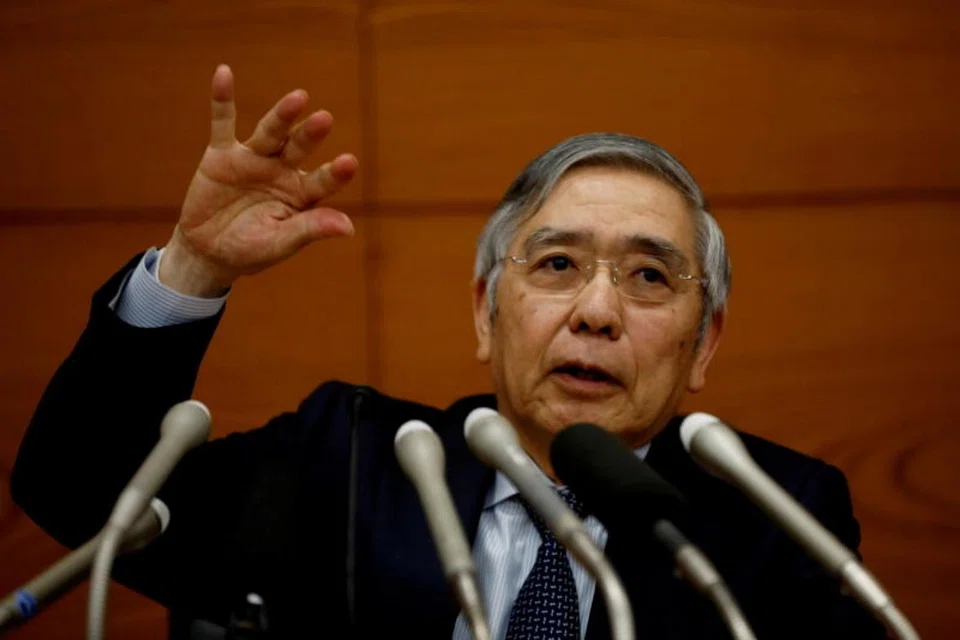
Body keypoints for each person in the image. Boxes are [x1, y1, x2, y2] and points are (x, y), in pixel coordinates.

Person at [11, 65, 885, 639]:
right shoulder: (352, 463)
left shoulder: (778, 518)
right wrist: (194, 269)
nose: (597, 312)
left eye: (650, 277)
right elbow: (79, 490)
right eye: (557, 265)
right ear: (484, 312)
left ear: (704, 344)